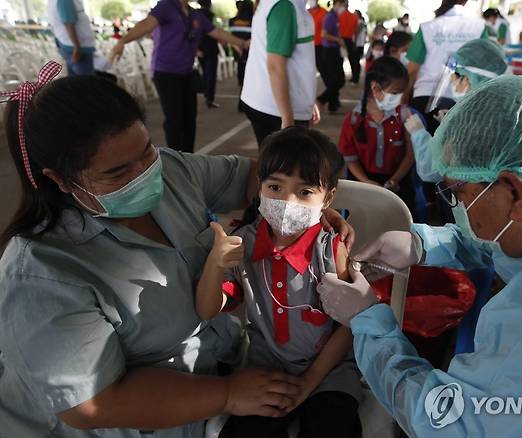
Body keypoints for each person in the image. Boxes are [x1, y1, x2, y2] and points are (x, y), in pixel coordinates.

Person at [0, 65, 354, 438]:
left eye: (147, 151)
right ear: (60, 180)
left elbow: (257, 177)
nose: (146, 174)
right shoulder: (39, 274)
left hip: (234, 364)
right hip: (153, 415)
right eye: (118, 173)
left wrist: (308, 212)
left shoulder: (172, 170)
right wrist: (228, 394)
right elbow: (92, 403)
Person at [317, 75, 522, 437]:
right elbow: (514, 239)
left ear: (515, 192)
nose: (458, 206)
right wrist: (425, 243)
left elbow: (450, 422)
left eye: (458, 193)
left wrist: (369, 323)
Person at [199, 127, 363, 437]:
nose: (287, 201)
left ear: (327, 198)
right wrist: (214, 264)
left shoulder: (330, 250)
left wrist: (309, 382)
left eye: (304, 192)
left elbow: (348, 326)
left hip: (329, 373)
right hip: (266, 370)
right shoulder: (242, 245)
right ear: (259, 186)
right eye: (275, 187)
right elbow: (208, 310)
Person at [109, 0, 248, 153]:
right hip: (166, 72)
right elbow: (147, 24)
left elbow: (217, 32)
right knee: (174, 119)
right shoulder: (166, 6)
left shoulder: (196, 15)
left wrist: (241, 43)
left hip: (187, 73)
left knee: (189, 118)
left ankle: (188, 156)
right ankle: (175, 157)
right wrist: (122, 41)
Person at [405, 38, 507, 184]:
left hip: (473, 198)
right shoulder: (499, 107)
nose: (451, 82)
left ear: (467, 80)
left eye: (454, 77)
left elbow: (431, 171)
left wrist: (419, 134)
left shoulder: (467, 121)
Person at [338, 57, 416, 215]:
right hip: (363, 182)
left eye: (402, 93)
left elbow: (410, 155)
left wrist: (394, 180)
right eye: (395, 93)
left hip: (396, 183)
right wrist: (366, 182)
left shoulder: (405, 115)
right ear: (375, 88)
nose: (400, 98)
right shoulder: (353, 119)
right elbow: (349, 158)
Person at [240, 0, 321, 147]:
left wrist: (307, 100)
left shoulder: (290, 5)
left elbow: (298, 62)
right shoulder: (284, 6)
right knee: (287, 167)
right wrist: (288, 119)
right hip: (276, 110)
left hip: (273, 104)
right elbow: (276, 66)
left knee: (279, 165)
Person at [406, 0, 485, 136]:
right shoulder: (480, 28)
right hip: (464, 100)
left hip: (425, 98)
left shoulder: (427, 27)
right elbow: (484, 66)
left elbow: (412, 69)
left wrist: (403, 99)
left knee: (422, 148)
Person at [47, 0, 95, 76]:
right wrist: (77, 47)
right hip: (77, 48)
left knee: (76, 81)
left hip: (71, 45)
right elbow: (68, 23)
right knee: (86, 82)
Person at [317, 0, 348, 113]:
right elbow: (324, 35)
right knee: (337, 80)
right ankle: (321, 100)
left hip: (334, 50)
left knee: (337, 80)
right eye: (342, 5)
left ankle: (332, 104)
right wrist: (338, 40)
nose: (343, 8)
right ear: (336, 4)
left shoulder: (335, 17)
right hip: (329, 51)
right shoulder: (330, 16)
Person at [197, 0, 220, 109]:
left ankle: (206, 94)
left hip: (200, 48)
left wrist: (196, 49)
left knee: (205, 72)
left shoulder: (194, 14)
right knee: (210, 74)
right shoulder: (212, 15)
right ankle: (209, 99)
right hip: (211, 48)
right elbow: (217, 31)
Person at [229, 0, 254, 89]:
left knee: (240, 67)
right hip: (250, 49)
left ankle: (241, 85)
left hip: (237, 49)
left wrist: (236, 46)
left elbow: (231, 36)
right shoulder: (253, 20)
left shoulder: (232, 21)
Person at [338, 2, 360, 85]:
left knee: (340, 60)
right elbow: (356, 31)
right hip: (349, 40)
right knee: (353, 60)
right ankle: (355, 78)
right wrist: (355, 42)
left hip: (340, 40)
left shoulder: (338, 15)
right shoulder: (354, 16)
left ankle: (341, 78)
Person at [308, 0, 327, 71]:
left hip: (321, 44)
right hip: (309, 44)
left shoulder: (324, 12)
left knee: (322, 65)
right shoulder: (306, 12)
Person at [354, 10, 367, 78]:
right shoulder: (363, 23)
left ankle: (356, 76)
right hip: (360, 43)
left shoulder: (360, 22)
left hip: (358, 44)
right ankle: (356, 75)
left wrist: (354, 42)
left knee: (356, 60)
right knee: (356, 60)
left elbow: (357, 33)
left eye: (355, 14)